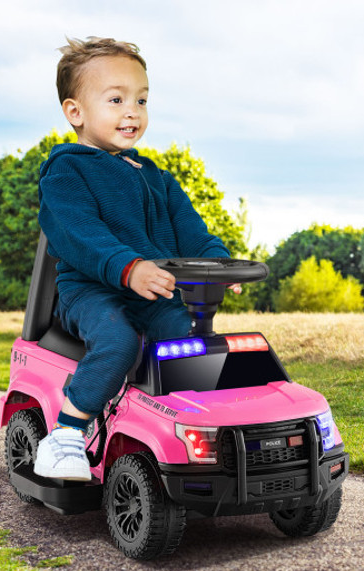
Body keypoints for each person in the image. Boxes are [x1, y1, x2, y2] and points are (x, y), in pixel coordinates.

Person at [34, 37, 233, 480]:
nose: (132, 111)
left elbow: (193, 234)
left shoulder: (157, 178)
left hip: (151, 293)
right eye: (117, 99)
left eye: (141, 100)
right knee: (119, 342)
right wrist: (129, 267)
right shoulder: (65, 171)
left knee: (192, 341)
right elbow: (81, 236)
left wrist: (218, 263)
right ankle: (66, 433)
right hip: (91, 293)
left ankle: (197, 426)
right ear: (75, 112)